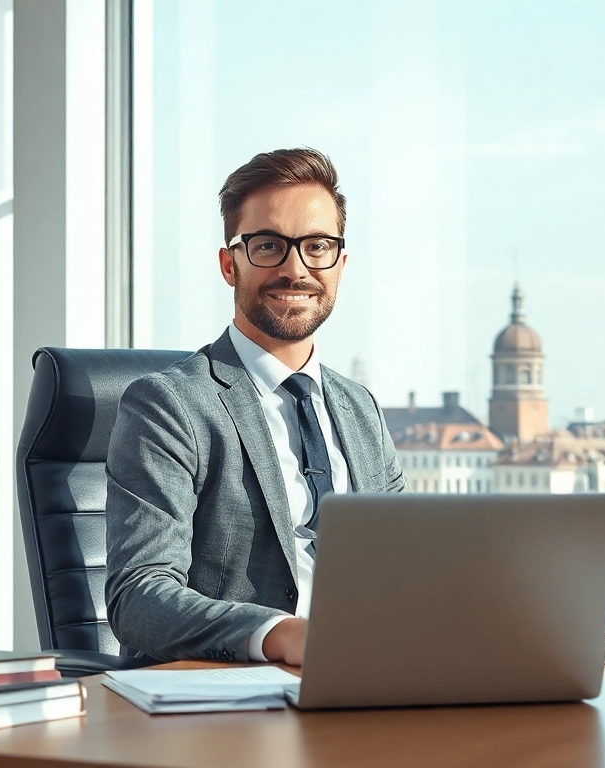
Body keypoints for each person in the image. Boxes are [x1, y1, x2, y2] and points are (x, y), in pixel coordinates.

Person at [104, 148, 406, 665]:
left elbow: (409, 563)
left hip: (370, 674)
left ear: (340, 265)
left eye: (317, 246)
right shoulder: (169, 405)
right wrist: (280, 635)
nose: (296, 269)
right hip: (235, 701)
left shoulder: (360, 410)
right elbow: (138, 596)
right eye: (268, 246)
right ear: (230, 264)